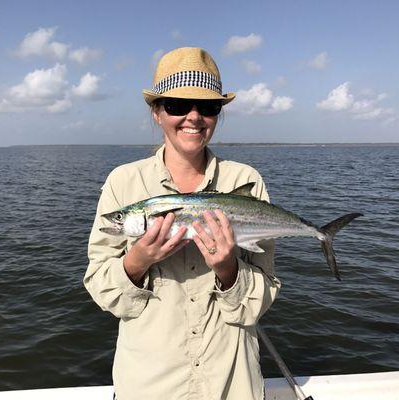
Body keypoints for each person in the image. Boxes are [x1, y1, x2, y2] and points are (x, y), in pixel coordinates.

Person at [84, 47, 281, 400]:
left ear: (218, 115)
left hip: (232, 384)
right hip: (149, 386)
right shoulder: (122, 182)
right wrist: (137, 261)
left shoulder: (247, 180)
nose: (193, 117)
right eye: (177, 105)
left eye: (207, 107)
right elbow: (102, 290)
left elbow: (261, 298)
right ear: (157, 113)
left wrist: (228, 269)